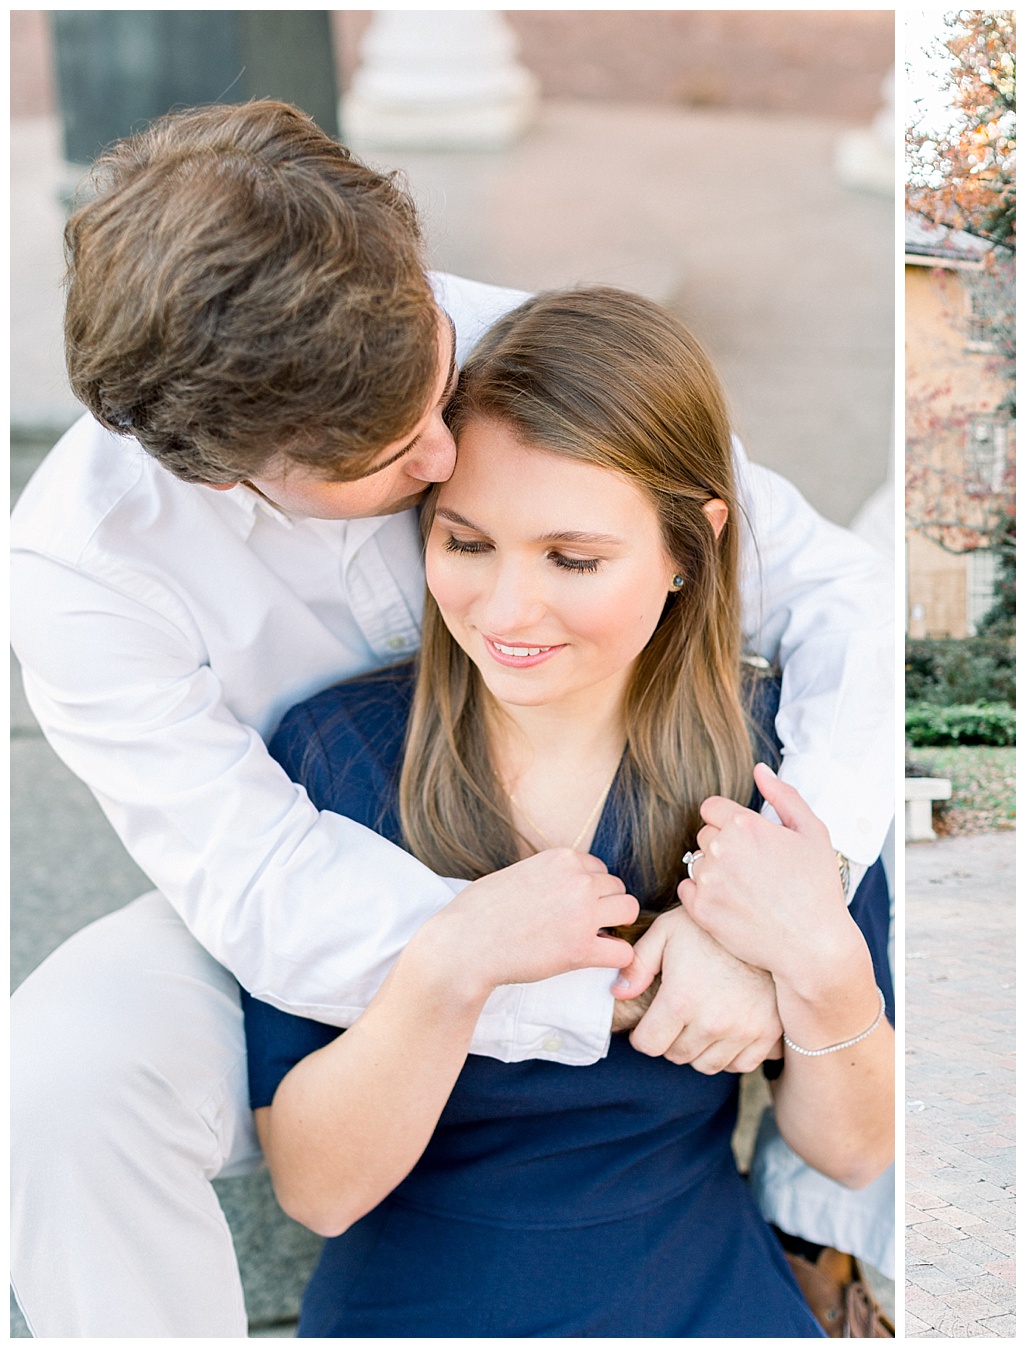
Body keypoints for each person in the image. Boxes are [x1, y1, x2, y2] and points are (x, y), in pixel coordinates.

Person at [9, 101, 893, 1336]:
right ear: (226, 473)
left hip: (612, 826)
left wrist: (802, 899)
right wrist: (610, 983)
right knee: (53, 1076)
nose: (440, 453)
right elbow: (269, 888)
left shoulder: (480, 338)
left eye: (433, 381)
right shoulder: (83, 569)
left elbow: (840, 590)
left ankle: (818, 1251)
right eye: (388, 459)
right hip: (311, 864)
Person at [241, 286, 893, 1335]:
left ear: (692, 546)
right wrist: (451, 965)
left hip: (696, 1286)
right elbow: (317, 1188)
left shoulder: (777, 761)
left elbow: (855, 1147)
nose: (504, 611)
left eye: (573, 559)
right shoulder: (336, 755)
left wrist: (813, 948)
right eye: (464, 543)